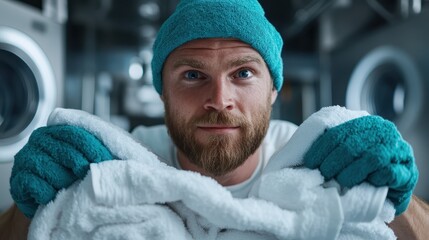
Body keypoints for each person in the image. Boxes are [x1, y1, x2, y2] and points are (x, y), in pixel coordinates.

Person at [1, 0, 428, 238]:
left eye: (243, 73)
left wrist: (393, 198)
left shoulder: (319, 162)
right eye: (192, 75)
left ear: (273, 89)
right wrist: (31, 204)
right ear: (162, 90)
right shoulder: (119, 169)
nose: (219, 99)